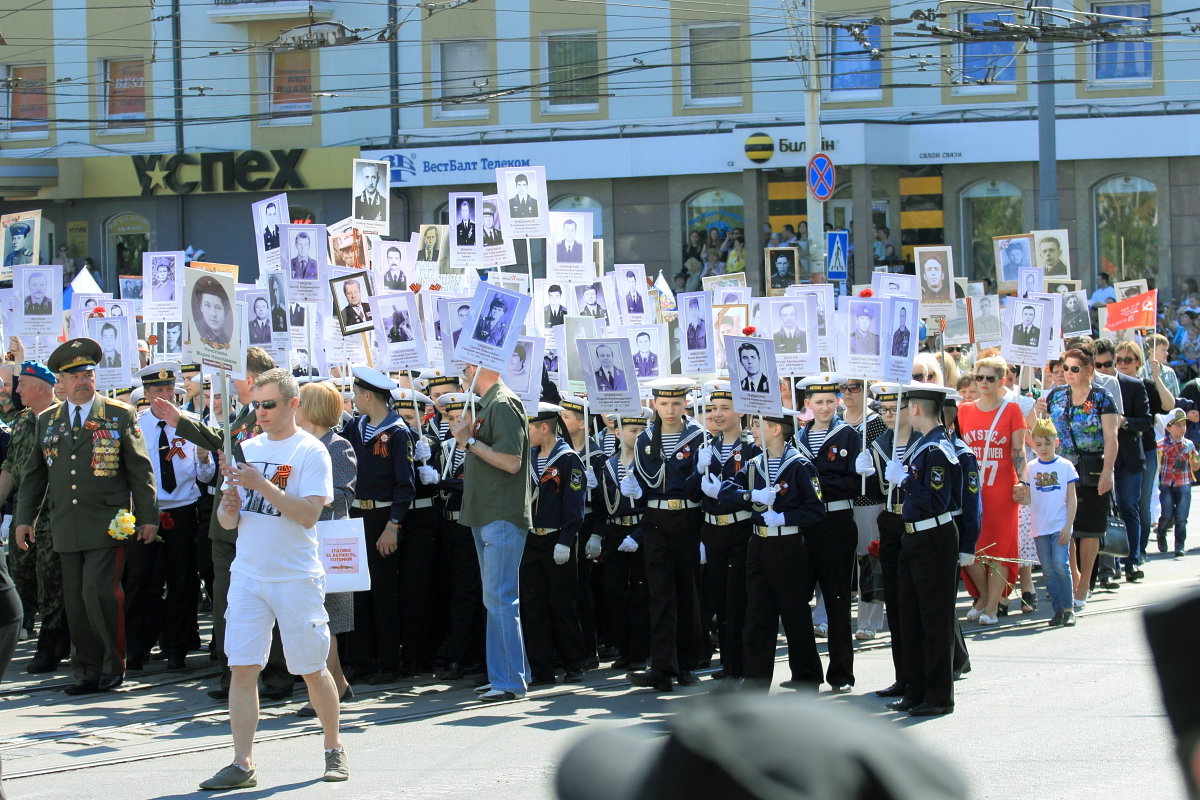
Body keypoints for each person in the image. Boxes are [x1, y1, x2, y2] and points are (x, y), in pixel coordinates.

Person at [199, 368, 347, 789]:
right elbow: (230, 521)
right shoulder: (246, 445)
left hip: (295, 576)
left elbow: (308, 515)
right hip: (249, 573)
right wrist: (229, 503)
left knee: (311, 668)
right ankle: (242, 762)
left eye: (268, 405)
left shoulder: (310, 452)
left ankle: (333, 746)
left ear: (292, 405)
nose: (260, 412)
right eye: (256, 405)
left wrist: (260, 484)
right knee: (242, 667)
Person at [14, 338, 158, 696]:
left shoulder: (117, 414)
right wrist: (23, 519)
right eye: (74, 375)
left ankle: (112, 664)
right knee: (75, 601)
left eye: (88, 373)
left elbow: (140, 471)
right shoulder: (47, 420)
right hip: (65, 524)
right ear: (60, 381)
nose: (82, 380)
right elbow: (34, 475)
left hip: (106, 523)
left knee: (100, 594)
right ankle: (86, 670)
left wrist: (148, 516)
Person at [449, 361, 532, 701]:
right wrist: (467, 437)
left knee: (500, 598)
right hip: (487, 513)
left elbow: (511, 462)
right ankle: (508, 674)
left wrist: (469, 442)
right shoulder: (487, 404)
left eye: (462, 368)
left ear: (475, 366)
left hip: (500, 513)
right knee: (495, 598)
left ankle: (509, 681)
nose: (461, 375)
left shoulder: (502, 402)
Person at [884, 382, 964, 717]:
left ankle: (938, 697)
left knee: (934, 621)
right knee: (911, 617)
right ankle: (915, 691)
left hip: (934, 537)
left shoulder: (937, 450)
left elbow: (936, 500)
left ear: (916, 409)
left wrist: (905, 480)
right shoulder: (923, 446)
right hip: (913, 536)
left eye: (907, 406)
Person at [623, 377, 705, 692]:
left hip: (687, 517)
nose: (669, 410)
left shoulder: (698, 438)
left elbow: (697, 483)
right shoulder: (645, 439)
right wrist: (633, 489)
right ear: (653, 404)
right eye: (663, 403)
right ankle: (661, 667)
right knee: (659, 595)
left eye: (676, 403)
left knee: (688, 594)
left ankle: (686, 664)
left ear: (685, 403)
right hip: (656, 520)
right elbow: (646, 482)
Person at [126, 363, 208, 671]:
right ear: (146, 394)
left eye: (168, 390)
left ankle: (177, 647)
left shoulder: (191, 423)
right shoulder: (135, 425)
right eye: (157, 391)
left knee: (182, 578)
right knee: (141, 579)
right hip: (146, 510)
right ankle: (137, 647)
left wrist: (203, 460)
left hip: (184, 508)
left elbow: (205, 475)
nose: (164, 396)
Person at [342, 367, 416, 683]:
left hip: (382, 517)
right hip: (356, 515)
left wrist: (393, 525)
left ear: (368, 395)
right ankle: (362, 658)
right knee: (357, 591)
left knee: (384, 591)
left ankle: (388, 662)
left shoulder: (398, 432)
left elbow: (405, 485)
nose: (353, 399)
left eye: (356, 394)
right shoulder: (356, 427)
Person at [793, 375, 864, 691]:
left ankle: (841, 674)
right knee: (797, 600)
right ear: (807, 405)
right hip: (805, 526)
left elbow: (856, 484)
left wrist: (816, 485)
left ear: (837, 401)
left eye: (829, 401)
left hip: (836, 523)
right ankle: (806, 672)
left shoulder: (849, 436)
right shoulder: (798, 439)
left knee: (837, 601)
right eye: (817, 402)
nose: (824, 407)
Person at [1035, 345, 1118, 609]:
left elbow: (1111, 438)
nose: (1068, 373)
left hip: (1092, 467)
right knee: (1066, 527)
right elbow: (1036, 428)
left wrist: (1108, 471)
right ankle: (1074, 577)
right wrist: (1038, 412)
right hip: (1060, 469)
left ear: (1089, 370)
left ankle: (1084, 584)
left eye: (1074, 369)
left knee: (1090, 528)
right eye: (1065, 369)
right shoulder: (1056, 395)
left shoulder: (1103, 398)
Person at [294, 379, 357, 716]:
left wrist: (306, 495)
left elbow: (344, 494)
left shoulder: (338, 445)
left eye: (300, 402)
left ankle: (326, 691)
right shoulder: (297, 444)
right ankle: (338, 684)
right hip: (301, 539)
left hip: (329, 542)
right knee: (313, 618)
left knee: (325, 619)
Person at [0, 361, 67, 674]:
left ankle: (50, 646)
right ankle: (25, 630)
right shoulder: (23, 420)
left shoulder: (65, 418)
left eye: (22, 384)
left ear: (41, 386)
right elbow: (10, 468)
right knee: (20, 573)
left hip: (56, 515)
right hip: (24, 514)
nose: (17, 390)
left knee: (51, 581)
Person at [692, 381, 761, 683]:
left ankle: (743, 663)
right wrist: (697, 470)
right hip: (713, 529)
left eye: (724, 408)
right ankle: (730, 663)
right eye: (712, 409)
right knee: (720, 599)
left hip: (741, 527)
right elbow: (693, 495)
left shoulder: (752, 448)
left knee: (739, 599)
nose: (717, 415)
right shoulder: (707, 448)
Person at [957, 356, 1027, 625]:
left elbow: (1018, 450)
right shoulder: (964, 410)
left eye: (990, 378)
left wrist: (1023, 481)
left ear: (1001, 381)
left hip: (1001, 490)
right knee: (972, 545)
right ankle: (984, 597)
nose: (984, 383)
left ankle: (992, 607)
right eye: (979, 377)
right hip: (973, 489)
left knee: (999, 546)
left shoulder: (1011, 410)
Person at [522, 403, 588, 685]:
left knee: (562, 605)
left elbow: (574, 505)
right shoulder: (528, 457)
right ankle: (542, 668)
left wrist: (565, 539)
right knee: (532, 606)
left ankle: (574, 663)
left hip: (555, 539)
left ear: (543, 427)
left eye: (529, 427)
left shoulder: (568, 459)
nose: (526, 433)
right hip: (530, 539)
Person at [595, 410, 651, 671]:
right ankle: (624, 648)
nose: (637, 436)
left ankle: (641, 651)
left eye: (641, 431)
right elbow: (600, 507)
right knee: (613, 591)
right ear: (617, 433)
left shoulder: (649, 463)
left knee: (641, 592)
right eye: (632, 431)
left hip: (642, 530)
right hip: (615, 533)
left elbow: (654, 505)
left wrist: (639, 535)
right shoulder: (606, 464)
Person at [1022, 417, 1078, 627]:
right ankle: (1057, 610)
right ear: (1033, 444)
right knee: (1047, 569)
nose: (1043, 448)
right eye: (1038, 444)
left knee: (1060, 565)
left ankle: (1068, 608)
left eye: (1047, 443)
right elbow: (1029, 498)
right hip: (1040, 526)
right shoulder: (1031, 467)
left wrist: (1068, 526)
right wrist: (1019, 495)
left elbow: (1071, 499)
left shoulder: (1065, 466)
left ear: (1055, 443)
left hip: (1059, 525)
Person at [1156, 408, 1199, 558]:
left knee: (1181, 517)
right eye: (1178, 425)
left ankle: (1179, 545)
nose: (1182, 429)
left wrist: (1196, 458)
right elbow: (1157, 464)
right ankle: (1161, 532)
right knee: (1167, 514)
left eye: (1184, 425)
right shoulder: (1161, 445)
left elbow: (1195, 465)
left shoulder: (1189, 445)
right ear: (1168, 427)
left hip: (1184, 483)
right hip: (1167, 484)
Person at [192, 275, 233, 347]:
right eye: (207, 305)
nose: (213, 314)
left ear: (225, 311)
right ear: (201, 307)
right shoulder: (192, 331)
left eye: (218, 307)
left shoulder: (229, 340)